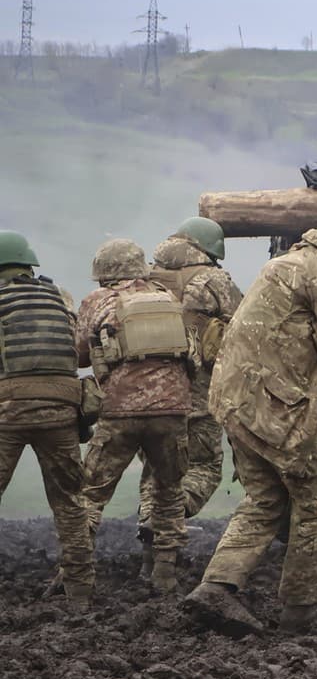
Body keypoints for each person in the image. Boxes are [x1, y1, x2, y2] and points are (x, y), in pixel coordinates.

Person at [182, 204, 317, 636]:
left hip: (239, 400)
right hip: (277, 409)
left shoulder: (290, 263)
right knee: (314, 505)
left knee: (264, 501)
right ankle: (302, 608)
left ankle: (217, 586)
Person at [76, 238, 191, 593]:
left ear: (104, 274)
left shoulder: (98, 301)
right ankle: (165, 572)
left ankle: (74, 573)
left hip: (120, 411)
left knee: (90, 492)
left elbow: (79, 354)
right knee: (169, 492)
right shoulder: (168, 299)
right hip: (173, 410)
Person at [137, 217, 243, 574]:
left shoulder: (145, 279)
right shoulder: (213, 280)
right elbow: (244, 324)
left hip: (144, 390)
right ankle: (165, 516)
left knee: (156, 470)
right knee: (202, 467)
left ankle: (156, 558)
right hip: (195, 389)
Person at [0, 231, 96, 609]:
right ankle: (80, 595)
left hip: (10, 410)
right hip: (62, 411)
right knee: (70, 503)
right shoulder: (57, 297)